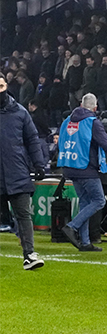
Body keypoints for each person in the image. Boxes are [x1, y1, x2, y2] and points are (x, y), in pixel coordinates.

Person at [58, 93, 107, 252]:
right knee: (99, 200)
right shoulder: (92, 122)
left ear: (81, 105)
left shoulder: (67, 121)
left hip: (70, 166)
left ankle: (85, 242)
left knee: (85, 202)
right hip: (86, 168)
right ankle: (72, 226)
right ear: (95, 108)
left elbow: (61, 143)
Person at [0, 76, 46, 270]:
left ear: (6, 86)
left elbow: (32, 139)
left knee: (24, 215)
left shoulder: (20, 112)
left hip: (17, 172)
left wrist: (39, 164)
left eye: (1, 86)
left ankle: (29, 255)